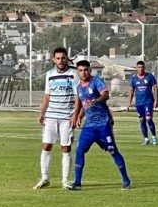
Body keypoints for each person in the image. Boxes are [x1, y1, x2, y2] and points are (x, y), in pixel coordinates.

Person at [68, 60, 131, 190]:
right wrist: (79, 117)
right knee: (79, 151)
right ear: (77, 72)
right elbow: (83, 105)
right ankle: (77, 183)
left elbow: (105, 94)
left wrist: (95, 100)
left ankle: (126, 180)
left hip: (103, 125)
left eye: (85, 70)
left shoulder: (96, 81)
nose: (83, 73)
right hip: (89, 127)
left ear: (90, 70)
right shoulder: (79, 87)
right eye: (80, 70)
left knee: (113, 151)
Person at [34, 47, 78, 190]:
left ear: (67, 59)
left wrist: (75, 115)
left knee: (65, 147)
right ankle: (45, 178)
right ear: (53, 59)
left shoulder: (73, 74)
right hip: (51, 116)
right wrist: (42, 113)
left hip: (66, 116)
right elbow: (47, 96)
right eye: (58, 58)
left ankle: (65, 180)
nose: (60, 61)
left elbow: (78, 96)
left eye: (63, 58)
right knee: (46, 145)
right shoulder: (49, 74)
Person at [127, 61, 158, 145]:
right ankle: (146, 139)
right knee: (142, 120)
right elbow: (131, 91)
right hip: (139, 103)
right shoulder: (133, 79)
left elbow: (155, 88)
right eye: (139, 67)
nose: (141, 69)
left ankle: (154, 137)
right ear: (136, 68)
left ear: (144, 68)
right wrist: (129, 102)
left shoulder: (149, 77)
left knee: (148, 119)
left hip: (148, 101)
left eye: (142, 67)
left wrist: (156, 100)